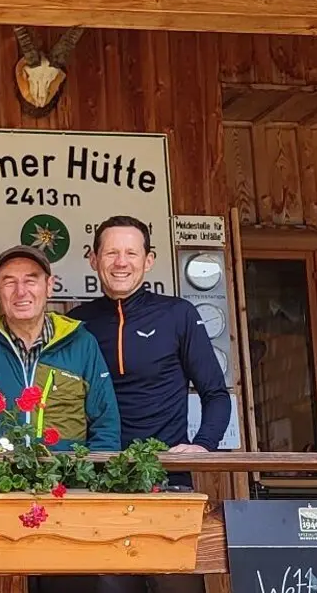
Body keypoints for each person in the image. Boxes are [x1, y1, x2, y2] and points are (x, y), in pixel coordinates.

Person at [66, 216, 230, 593]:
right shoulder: (76, 323)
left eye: (130, 253)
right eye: (111, 253)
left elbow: (216, 395)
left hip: (168, 481)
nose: (120, 262)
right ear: (93, 259)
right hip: (100, 484)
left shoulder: (178, 315)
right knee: (109, 586)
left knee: (177, 587)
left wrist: (203, 445)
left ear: (149, 260)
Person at [0, 246, 120, 454]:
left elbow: (105, 426)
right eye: (9, 282)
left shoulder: (82, 344)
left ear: (49, 286)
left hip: (67, 484)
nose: (21, 291)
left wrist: (87, 481)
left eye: (31, 281)